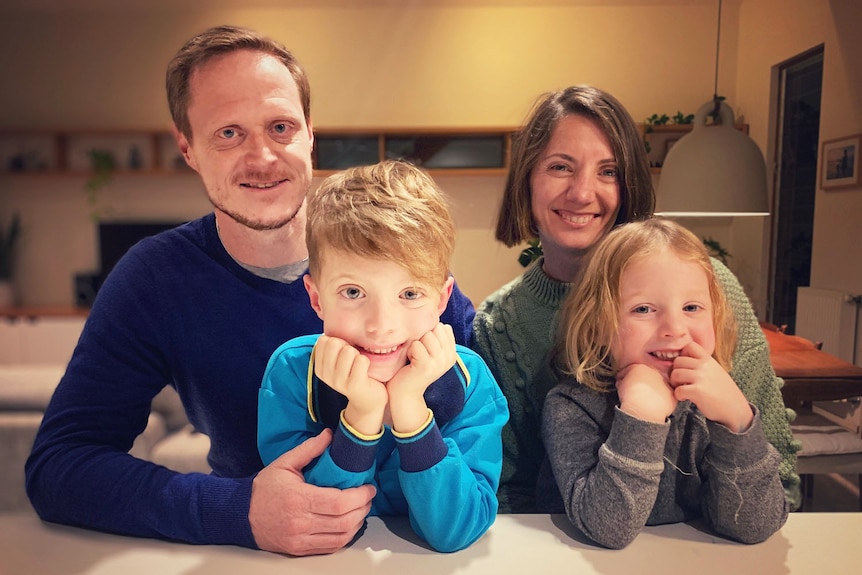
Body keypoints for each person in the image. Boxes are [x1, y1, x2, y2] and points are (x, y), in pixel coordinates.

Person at [24, 26, 477, 556]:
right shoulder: (155, 279)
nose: (262, 157)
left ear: (311, 134)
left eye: (281, 127)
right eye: (228, 134)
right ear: (188, 148)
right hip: (248, 559)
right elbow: (60, 464)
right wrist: (236, 509)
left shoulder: (397, 259)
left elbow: (481, 442)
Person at [470, 85, 800, 514]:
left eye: (608, 171)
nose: (583, 193)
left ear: (629, 186)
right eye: (560, 167)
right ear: (526, 180)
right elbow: (507, 493)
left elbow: (779, 482)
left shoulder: (709, 285)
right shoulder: (499, 324)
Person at [257, 160, 508, 552]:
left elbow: (457, 530)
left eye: (409, 294)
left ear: (442, 300)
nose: (381, 326)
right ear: (317, 298)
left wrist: (410, 410)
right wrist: (362, 415)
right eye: (353, 292)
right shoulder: (292, 374)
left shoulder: (468, 378)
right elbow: (313, 521)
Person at [539, 218, 789, 549]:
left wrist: (737, 421)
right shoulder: (571, 407)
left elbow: (755, 526)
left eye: (691, 307)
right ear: (598, 324)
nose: (674, 328)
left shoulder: (716, 401)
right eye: (643, 308)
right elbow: (608, 530)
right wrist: (641, 416)